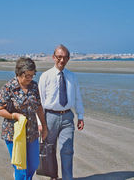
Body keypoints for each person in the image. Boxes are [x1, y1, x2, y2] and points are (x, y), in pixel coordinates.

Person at [0, 57, 48, 180]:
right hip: (14, 134)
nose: (30, 79)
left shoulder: (34, 86)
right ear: (18, 73)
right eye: (27, 76)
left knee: (33, 164)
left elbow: (39, 107)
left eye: (32, 75)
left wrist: (44, 126)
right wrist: (14, 115)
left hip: (32, 132)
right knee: (20, 167)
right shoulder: (8, 88)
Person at [38, 44, 85, 180]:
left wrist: (80, 116)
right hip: (49, 117)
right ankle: (53, 176)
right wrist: (40, 122)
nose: (62, 60)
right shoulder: (45, 76)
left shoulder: (72, 76)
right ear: (53, 57)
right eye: (59, 57)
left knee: (67, 151)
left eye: (65, 58)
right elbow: (39, 101)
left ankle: (67, 178)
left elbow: (77, 98)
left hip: (67, 117)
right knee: (50, 149)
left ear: (68, 58)